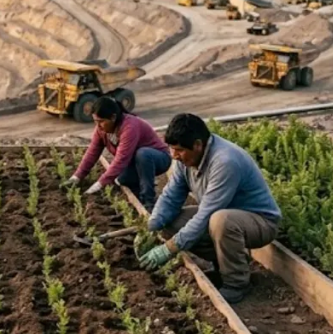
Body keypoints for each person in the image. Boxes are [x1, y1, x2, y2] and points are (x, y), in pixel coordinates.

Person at [139, 113, 281, 304]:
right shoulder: (186, 161)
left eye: (179, 150)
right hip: (222, 216)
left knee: (220, 221)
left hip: (260, 222)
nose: (174, 155)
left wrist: (168, 248)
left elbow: (205, 215)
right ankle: (224, 263)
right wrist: (152, 225)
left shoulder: (225, 162)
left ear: (197, 145)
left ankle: (237, 283)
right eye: (172, 149)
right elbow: (171, 196)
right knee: (172, 220)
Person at [64, 96, 170, 211]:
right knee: (122, 179)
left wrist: (100, 183)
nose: (98, 126)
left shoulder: (130, 127)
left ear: (113, 117)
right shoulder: (101, 130)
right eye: (95, 122)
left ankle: (149, 202)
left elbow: (121, 159)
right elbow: (92, 152)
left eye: (101, 121)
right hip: (134, 162)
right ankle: (138, 196)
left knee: (143, 154)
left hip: (159, 158)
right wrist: (77, 177)